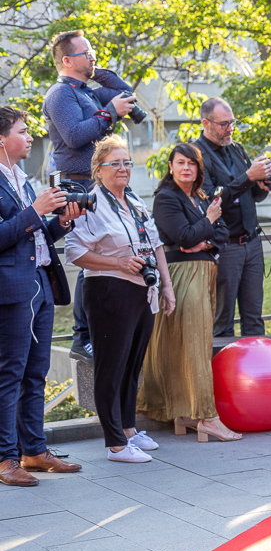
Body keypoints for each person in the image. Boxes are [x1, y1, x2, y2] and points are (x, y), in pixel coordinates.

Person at [65, 135, 175, 463]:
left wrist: (167, 286)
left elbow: (156, 245)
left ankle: (128, 429)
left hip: (143, 290)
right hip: (108, 291)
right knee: (110, 367)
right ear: (98, 170)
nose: (123, 168)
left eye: (127, 162)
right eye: (115, 164)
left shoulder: (135, 200)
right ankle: (115, 443)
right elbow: (74, 252)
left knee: (132, 364)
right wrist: (118, 263)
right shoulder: (90, 203)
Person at [42, 30, 139, 363]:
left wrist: (95, 70)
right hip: (78, 185)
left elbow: (125, 92)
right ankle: (82, 337)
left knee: (108, 256)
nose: (93, 56)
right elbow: (73, 136)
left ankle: (101, 330)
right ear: (67, 60)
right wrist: (109, 112)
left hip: (99, 184)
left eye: (93, 51)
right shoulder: (60, 94)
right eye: (86, 53)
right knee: (89, 259)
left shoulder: (86, 91)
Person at [0, 106, 84, 486]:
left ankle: (33, 450)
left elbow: (35, 235)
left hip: (41, 284)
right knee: (10, 373)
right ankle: (5, 458)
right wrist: (36, 211)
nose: (30, 136)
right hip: (12, 289)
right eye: (22, 130)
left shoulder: (25, 180)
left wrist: (61, 222)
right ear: (2, 139)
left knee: (36, 373)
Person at [137, 143, 241, 442]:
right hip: (182, 276)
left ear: (198, 169)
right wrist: (208, 221)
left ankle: (185, 413)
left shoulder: (201, 197)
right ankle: (207, 417)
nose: (186, 168)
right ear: (170, 166)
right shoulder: (165, 198)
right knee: (193, 346)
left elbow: (223, 233)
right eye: (180, 162)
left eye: (191, 163)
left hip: (205, 271)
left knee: (196, 342)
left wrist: (204, 240)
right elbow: (183, 237)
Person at [193, 97, 271, 337]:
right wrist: (248, 177)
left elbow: (252, 196)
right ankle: (222, 363)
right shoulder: (196, 155)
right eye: (224, 124)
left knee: (254, 319)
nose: (230, 129)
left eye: (232, 122)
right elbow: (211, 200)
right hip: (224, 247)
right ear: (206, 123)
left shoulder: (236, 148)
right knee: (222, 322)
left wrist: (262, 184)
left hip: (252, 242)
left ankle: (256, 362)